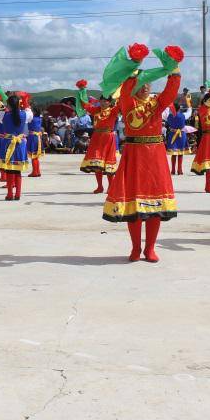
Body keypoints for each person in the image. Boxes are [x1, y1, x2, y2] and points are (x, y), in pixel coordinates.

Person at [102, 43, 183, 263]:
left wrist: (173, 70)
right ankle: (136, 248)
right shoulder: (127, 102)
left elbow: (171, 91)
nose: (145, 86)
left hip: (155, 154)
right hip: (134, 154)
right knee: (134, 206)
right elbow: (128, 85)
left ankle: (150, 248)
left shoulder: (157, 104)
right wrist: (136, 63)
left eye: (148, 83)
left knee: (155, 206)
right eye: (141, 83)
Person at [0, 94, 32, 200]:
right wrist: (26, 102)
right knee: (17, 170)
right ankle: (18, 194)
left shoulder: (3, 115)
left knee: (9, 170)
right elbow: (30, 112)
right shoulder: (25, 114)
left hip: (8, 143)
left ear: (8, 105)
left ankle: (10, 194)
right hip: (20, 143)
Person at [79, 96, 120, 193]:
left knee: (108, 164)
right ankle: (100, 186)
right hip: (96, 137)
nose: (102, 103)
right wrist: (82, 91)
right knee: (97, 163)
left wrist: (121, 92)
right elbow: (85, 105)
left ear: (109, 102)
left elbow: (122, 104)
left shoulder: (113, 110)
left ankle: (111, 187)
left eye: (105, 101)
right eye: (101, 101)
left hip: (108, 138)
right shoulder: (96, 110)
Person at [164, 101, 192, 175]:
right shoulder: (183, 115)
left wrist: (167, 105)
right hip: (181, 135)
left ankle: (173, 170)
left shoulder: (168, 116)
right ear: (179, 108)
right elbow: (189, 112)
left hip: (172, 134)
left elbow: (164, 113)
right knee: (180, 153)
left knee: (174, 153)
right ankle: (180, 170)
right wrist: (189, 104)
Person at [28, 106, 45, 177]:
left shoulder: (32, 119)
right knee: (36, 156)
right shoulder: (39, 118)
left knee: (33, 156)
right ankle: (37, 171)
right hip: (37, 137)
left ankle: (35, 172)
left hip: (33, 138)